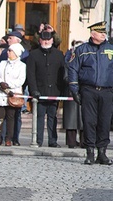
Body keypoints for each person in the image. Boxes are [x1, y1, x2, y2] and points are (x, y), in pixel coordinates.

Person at [68, 21, 113, 165]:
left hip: (107, 91)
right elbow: (73, 69)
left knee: (104, 122)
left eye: (104, 32)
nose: (104, 34)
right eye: (101, 33)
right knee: (89, 122)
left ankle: (102, 153)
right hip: (89, 90)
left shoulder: (111, 48)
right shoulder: (82, 49)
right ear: (93, 34)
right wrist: (74, 89)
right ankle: (90, 152)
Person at [27, 31, 65, 148]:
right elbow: (31, 74)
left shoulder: (59, 54)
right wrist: (33, 90)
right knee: (39, 117)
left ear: (52, 41)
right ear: (40, 40)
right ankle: (37, 140)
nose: (46, 41)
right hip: (39, 91)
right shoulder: (34, 54)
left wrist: (61, 90)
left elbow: (62, 73)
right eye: (44, 39)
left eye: (48, 39)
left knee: (52, 117)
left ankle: (53, 140)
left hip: (54, 91)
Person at [0, 43, 26, 146]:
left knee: (11, 117)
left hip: (12, 95)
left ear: (16, 53)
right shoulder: (2, 63)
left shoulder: (22, 66)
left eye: (10, 51)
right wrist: (0, 83)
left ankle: (9, 138)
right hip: (0, 94)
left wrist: (8, 85)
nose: (8, 52)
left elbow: (21, 80)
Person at [63, 40, 84, 148]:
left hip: (85, 91)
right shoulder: (68, 61)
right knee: (71, 119)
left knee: (84, 118)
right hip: (71, 92)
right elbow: (65, 77)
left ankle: (84, 142)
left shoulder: (87, 61)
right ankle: (71, 142)